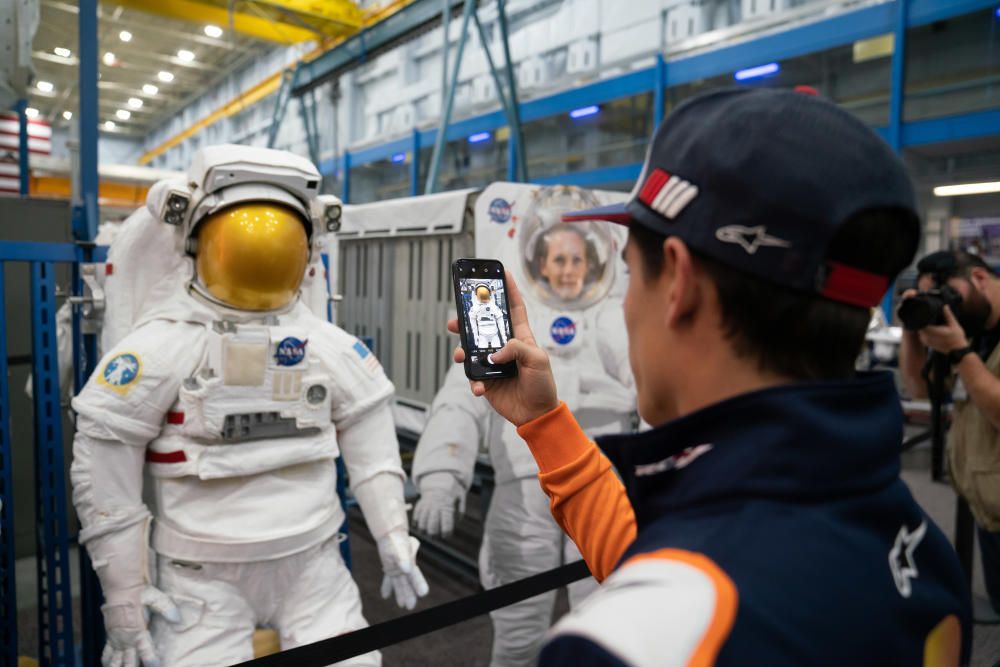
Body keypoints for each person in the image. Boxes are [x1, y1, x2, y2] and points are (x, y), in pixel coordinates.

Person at [449, 88, 973, 665]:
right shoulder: (922, 550)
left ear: (678, 283)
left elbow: (683, 588)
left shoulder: (623, 644)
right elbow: (657, 554)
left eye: (630, 272)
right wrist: (545, 424)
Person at [70, 145, 428, 667]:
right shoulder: (161, 347)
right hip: (202, 578)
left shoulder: (324, 345)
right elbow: (107, 480)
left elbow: (372, 448)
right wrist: (124, 595)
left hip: (313, 565)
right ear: (193, 243)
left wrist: (394, 535)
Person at [412, 184, 635, 667]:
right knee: (517, 632)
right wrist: (443, 470)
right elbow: (459, 399)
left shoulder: (615, 319)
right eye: (558, 261)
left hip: (601, 489)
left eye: (577, 261)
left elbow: (654, 384)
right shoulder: (511, 323)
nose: (568, 271)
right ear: (536, 262)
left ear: (596, 263)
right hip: (523, 490)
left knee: (605, 630)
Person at [898, 250, 1000, 616]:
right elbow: (922, 390)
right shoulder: (975, 328)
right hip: (988, 505)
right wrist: (913, 332)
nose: (947, 306)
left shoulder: (965, 341)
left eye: (949, 294)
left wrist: (960, 352)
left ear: (979, 277)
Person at [469, 284, 508, 349]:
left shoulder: (493, 307)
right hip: (482, 335)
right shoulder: (475, 308)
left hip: (494, 334)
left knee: (497, 351)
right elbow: (473, 324)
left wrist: (504, 337)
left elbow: (500, 321)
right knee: (482, 351)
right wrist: (476, 336)